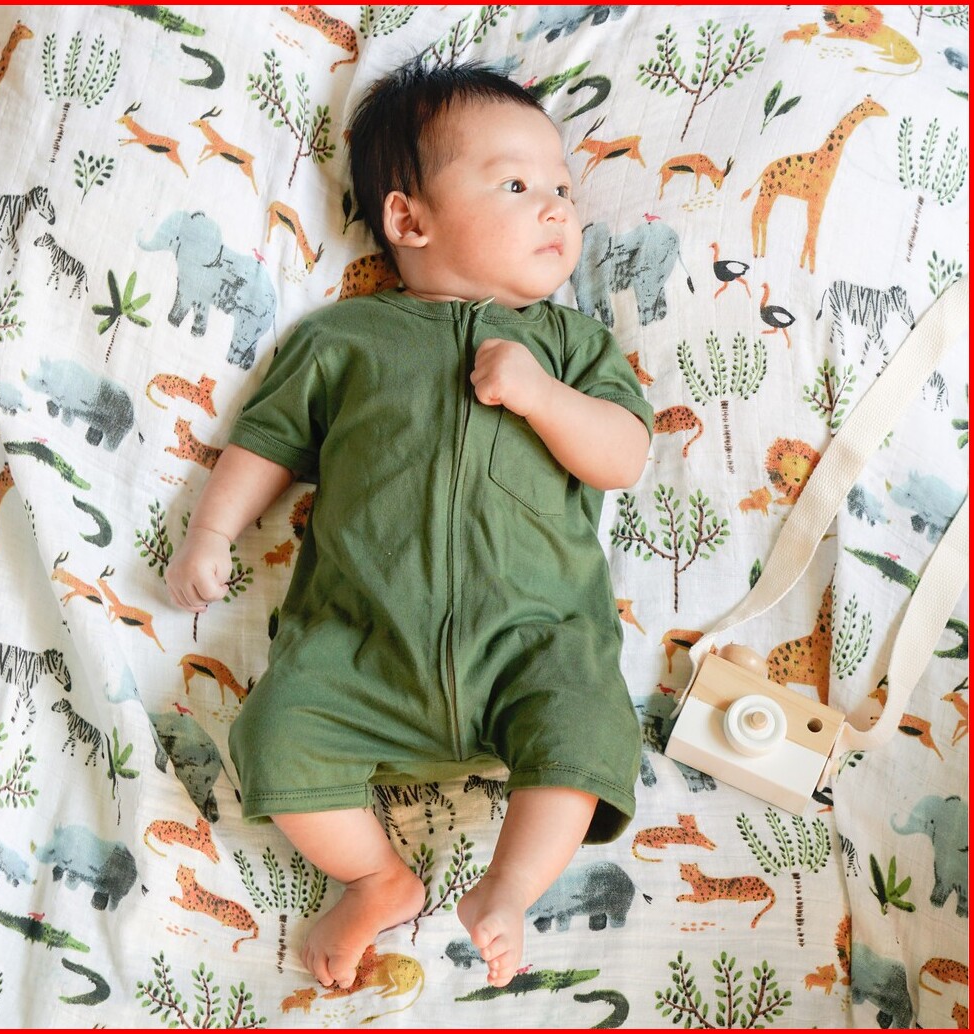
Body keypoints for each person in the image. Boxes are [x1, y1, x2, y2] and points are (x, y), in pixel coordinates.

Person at [165, 60, 653, 991]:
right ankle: (375, 876)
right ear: (409, 219)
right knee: (271, 733)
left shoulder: (570, 345)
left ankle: (508, 887)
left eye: (562, 188)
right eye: (517, 186)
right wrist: (211, 534)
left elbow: (623, 455)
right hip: (359, 650)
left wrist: (543, 397)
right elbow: (265, 444)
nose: (557, 209)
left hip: (536, 643)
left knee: (593, 729)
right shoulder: (344, 340)